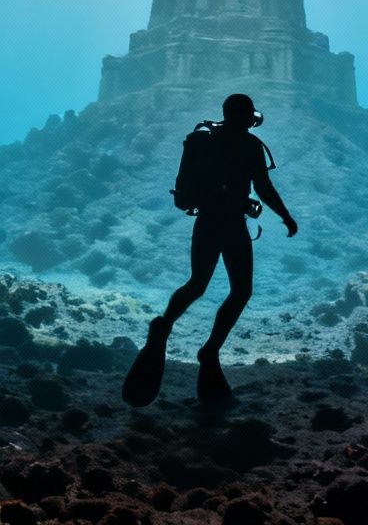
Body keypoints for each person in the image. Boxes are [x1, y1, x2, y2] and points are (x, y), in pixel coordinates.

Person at [122, 93, 297, 406]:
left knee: (197, 283)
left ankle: (163, 326)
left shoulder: (204, 140)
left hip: (206, 222)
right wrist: (285, 216)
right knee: (241, 291)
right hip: (232, 225)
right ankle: (210, 349)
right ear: (247, 116)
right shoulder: (250, 146)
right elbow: (264, 188)